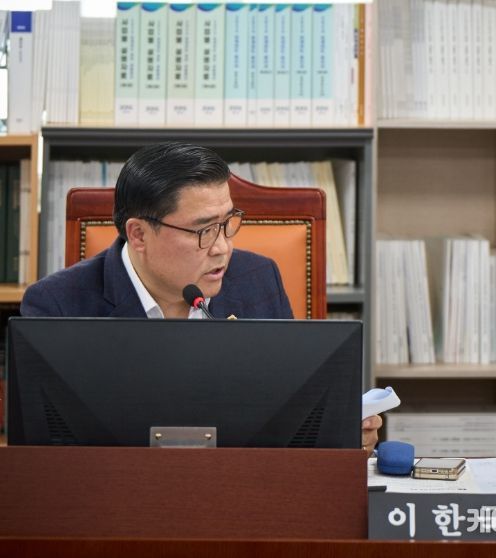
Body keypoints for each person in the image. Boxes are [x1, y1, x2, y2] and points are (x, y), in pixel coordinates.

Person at [20, 142, 382, 452]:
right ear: (139, 235)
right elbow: (48, 454)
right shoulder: (56, 305)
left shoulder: (258, 281)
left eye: (227, 223)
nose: (223, 248)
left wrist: (337, 436)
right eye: (204, 230)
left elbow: (292, 417)